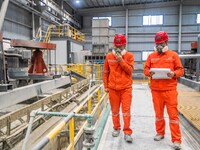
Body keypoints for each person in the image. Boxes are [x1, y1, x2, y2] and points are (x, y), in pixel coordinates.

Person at [144, 31, 184, 150]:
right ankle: (160, 133)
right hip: (156, 90)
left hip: (170, 90)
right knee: (159, 115)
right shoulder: (152, 56)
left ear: (166, 42)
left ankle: (176, 140)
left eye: (161, 43)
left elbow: (180, 70)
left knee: (173, 116)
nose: (159, 46)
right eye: (157, 44)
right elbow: (145, 69)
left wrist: (173, 73)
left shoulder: (173, 55)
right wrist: (148, 73)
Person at [103, 34, 134, 143]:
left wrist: (121, 60)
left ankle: (127, 132)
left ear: (124, 45)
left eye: (120, 46)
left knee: (126, 111)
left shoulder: (129, 56)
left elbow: (129, 71)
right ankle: (116, 128)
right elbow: (105, 72)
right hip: (113, 89)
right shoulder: (109, 56)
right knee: (115, 111)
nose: (118, 48)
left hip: (126, 88)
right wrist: (106, 86)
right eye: (117, 46)